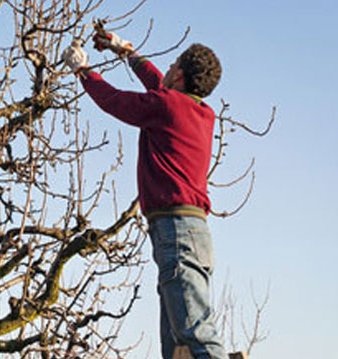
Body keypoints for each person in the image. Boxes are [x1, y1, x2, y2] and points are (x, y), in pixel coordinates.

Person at [62, 33, 227, 359]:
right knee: (177, 346)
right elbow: (158, 83)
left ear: (179, 75)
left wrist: (83, 71)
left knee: (198, 338)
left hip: (176, 232)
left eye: (174, 64)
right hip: (192, 233)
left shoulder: (166, 106)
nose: (168, 66)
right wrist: (125, 51)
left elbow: (115, 101)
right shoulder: (199, 112)